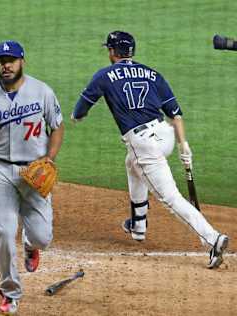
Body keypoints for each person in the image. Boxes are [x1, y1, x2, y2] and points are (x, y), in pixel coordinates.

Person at [71, 31, 229, 269]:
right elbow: (175, 114)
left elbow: (81, 109)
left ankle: (213, 239)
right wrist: (183, 144)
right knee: (131, 164)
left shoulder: (104, 75)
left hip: (143, 144)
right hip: (165, 134)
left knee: (170, 197)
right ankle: (138, 224)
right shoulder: (153, 74)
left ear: (112, 52)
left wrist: (76, 116)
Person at [0, 40, 64, 314]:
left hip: (34, 172)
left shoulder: (41, 91)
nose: (6, 65)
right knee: (3, 232)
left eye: (11, 60)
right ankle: (10, 292)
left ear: (22, 62)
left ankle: (32, 246)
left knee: (43, 236)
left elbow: (57, 127)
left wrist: (50, 158)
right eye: (1, 60)